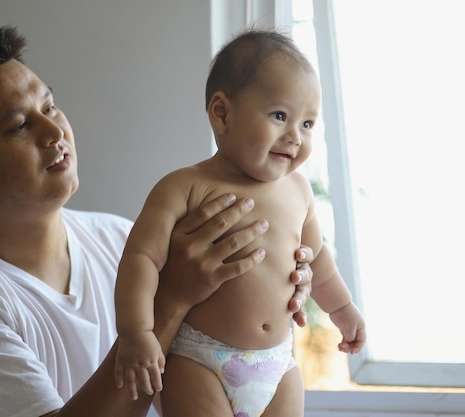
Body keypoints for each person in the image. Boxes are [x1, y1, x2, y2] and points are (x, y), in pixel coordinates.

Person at [0, 21, 315, 417]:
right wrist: (171, 299)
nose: (55, 134)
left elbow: (207, 357)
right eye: (18, 126)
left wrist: (275, 277)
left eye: (49, 108)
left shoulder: (115, 237)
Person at [113, 29, 366, 417]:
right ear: (222, 113)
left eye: (308, 124)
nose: (295, 136)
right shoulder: (183, 187)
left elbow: (317, 262)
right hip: (198, 362)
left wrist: (344, 309)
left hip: (278, 365)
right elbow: (140, 260)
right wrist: (136, 333)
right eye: (280, 116)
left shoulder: (298, 191)